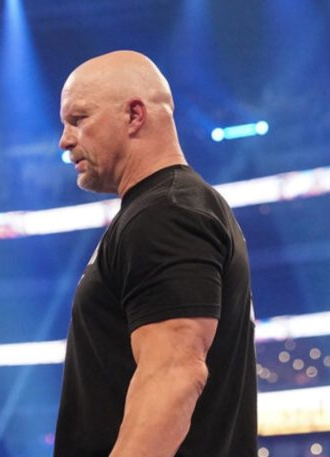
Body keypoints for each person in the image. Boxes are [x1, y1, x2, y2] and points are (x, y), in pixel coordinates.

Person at [54, 50, 257, 456]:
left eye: (78, 119)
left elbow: (174, 376)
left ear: (134, 115)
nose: (65, 140)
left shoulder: (166, 214)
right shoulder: (169, 208)